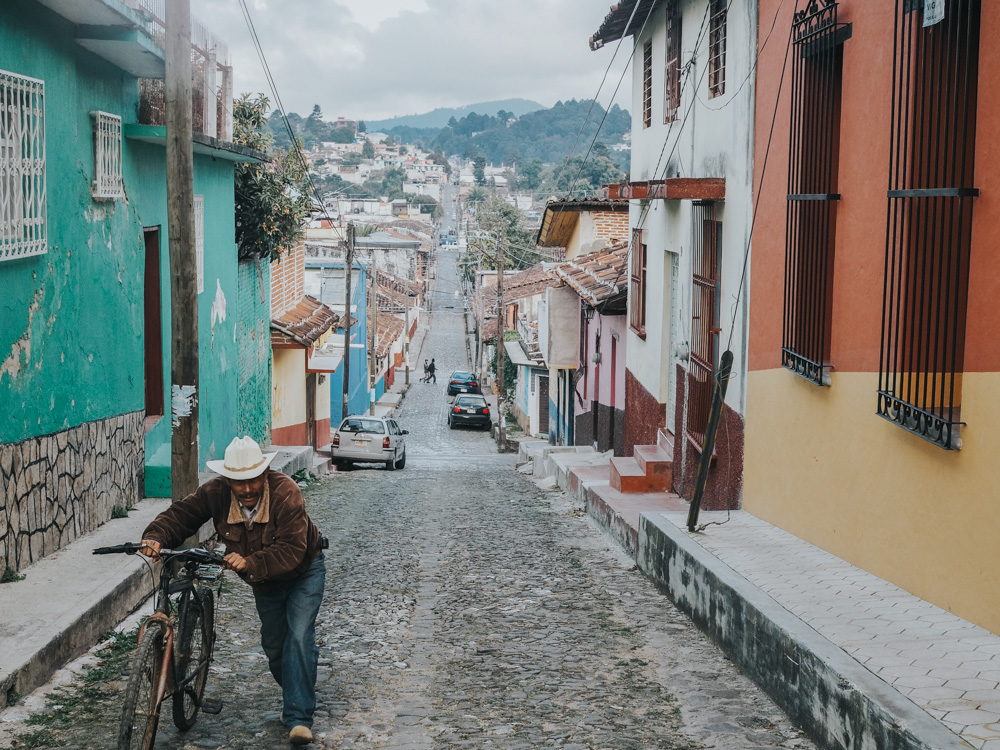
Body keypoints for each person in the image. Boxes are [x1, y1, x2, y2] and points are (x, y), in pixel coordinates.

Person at [138, 437, 326, 746]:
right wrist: (156, 535)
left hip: (304, 571)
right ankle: (299, 680)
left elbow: (293, 550)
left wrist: (249, 562)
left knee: (299, 635)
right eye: (239, 482)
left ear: (264, 474)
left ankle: (298, 716)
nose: (247, 488)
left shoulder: (286, 492)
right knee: (276, 647)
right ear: (228, 480)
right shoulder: (216, 493)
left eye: (253, 480)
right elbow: (183, 514)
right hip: (265, 581)